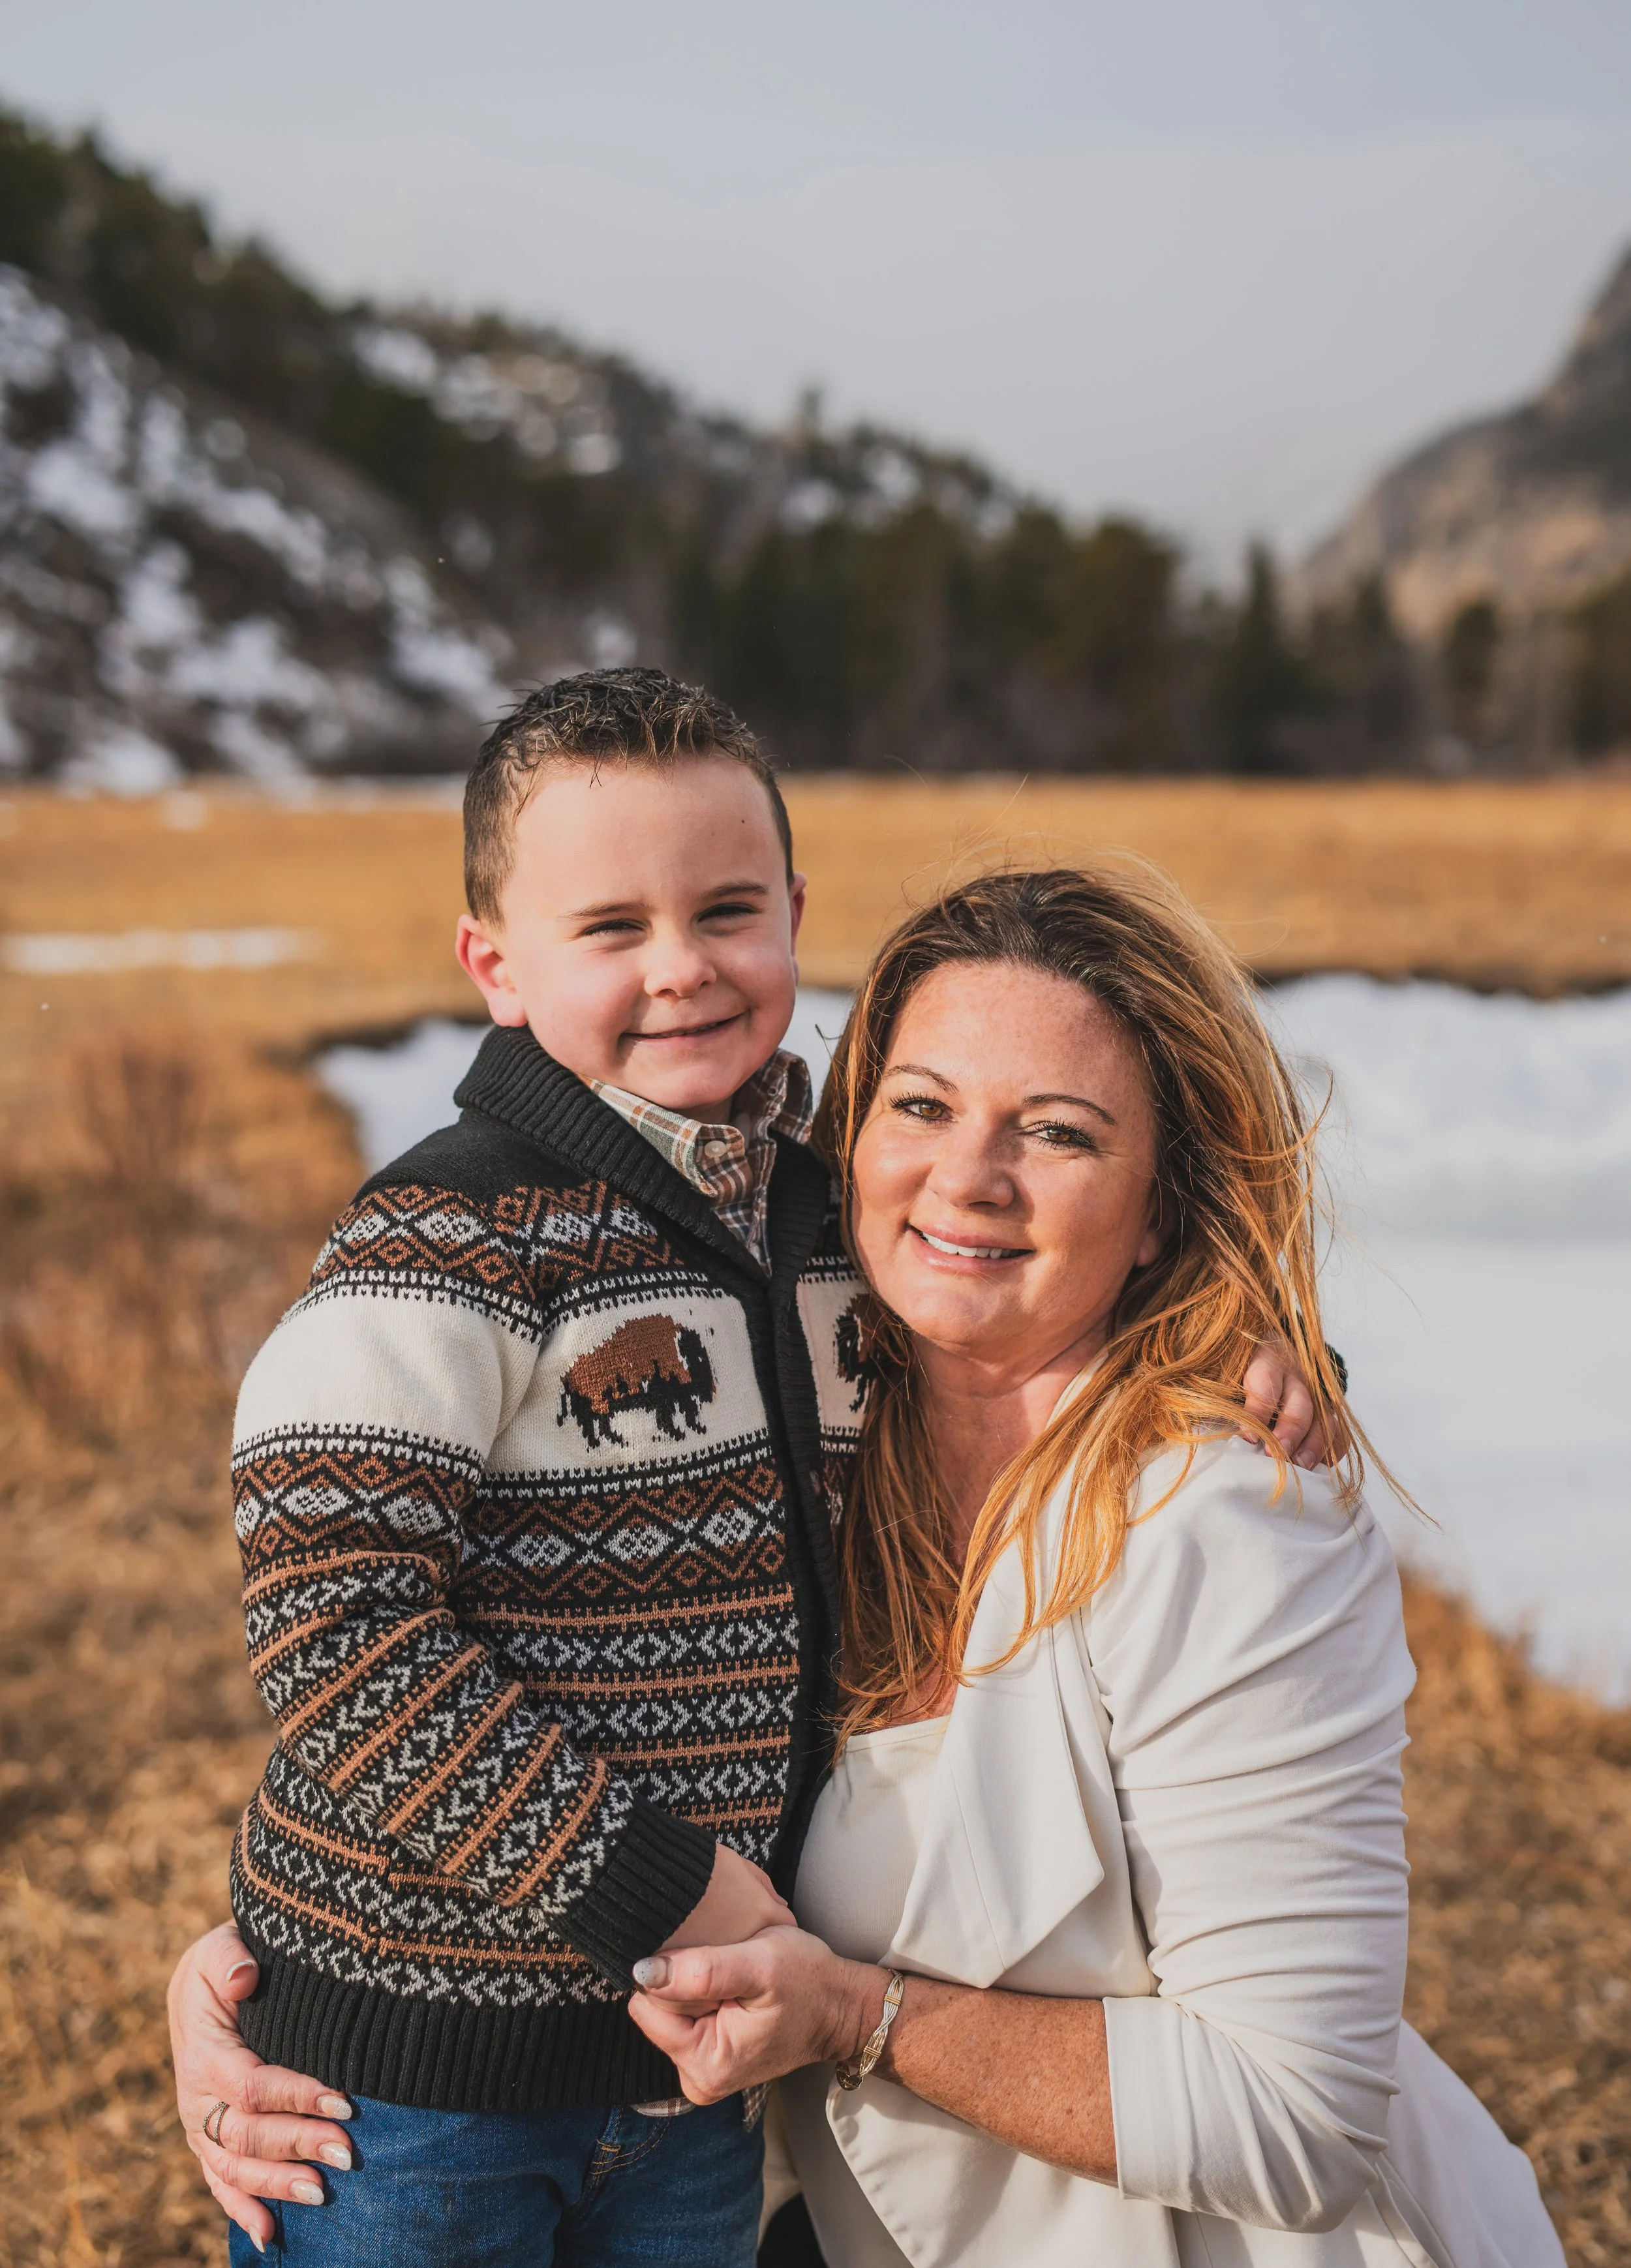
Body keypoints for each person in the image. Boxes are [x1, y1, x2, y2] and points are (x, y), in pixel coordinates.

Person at [171, 681, 1328, 2265]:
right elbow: (335, 1630)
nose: (682, 966)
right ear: (492, 966)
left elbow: (1039, 1300)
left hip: (692, 2084)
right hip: (415, 2083)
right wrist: (653, 1890)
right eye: (611, 927)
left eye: (727, 909)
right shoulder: (445, 1234)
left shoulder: (823, 1216)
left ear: (795, 912)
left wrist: (1238, 1349)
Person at [619, 865, 1565, 2267]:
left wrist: (853, 2014)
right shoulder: (806, 1447)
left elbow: (1293, 2117)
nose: (965, 1177)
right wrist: (265, 1968)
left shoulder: (1226, 1518)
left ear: (1162, 1207)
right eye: (921, 1105)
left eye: (1054, 1133)